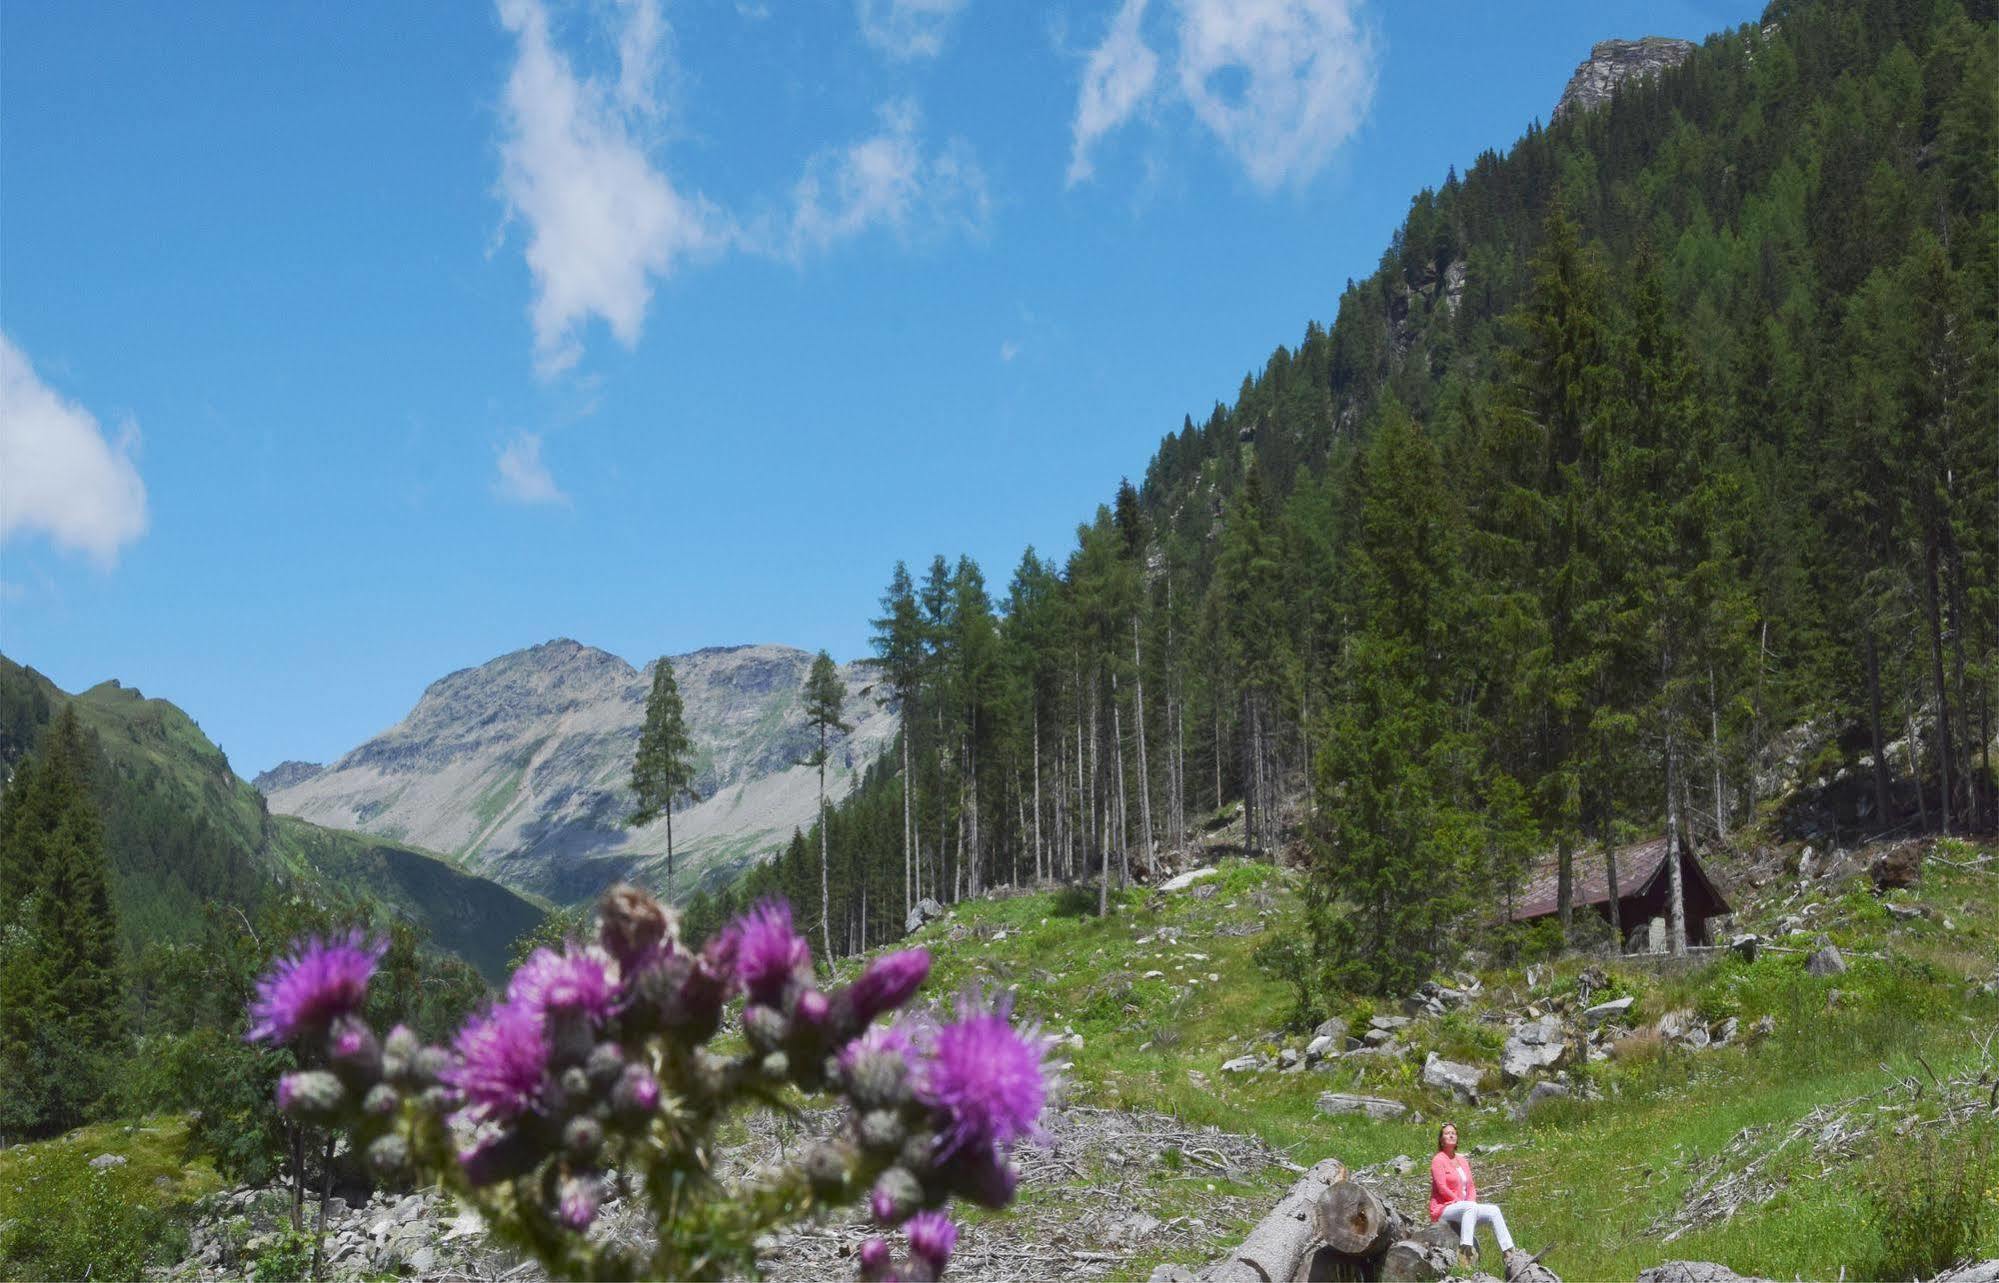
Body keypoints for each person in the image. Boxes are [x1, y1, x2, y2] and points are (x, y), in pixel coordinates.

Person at [1429, 1121, 1515, 1267]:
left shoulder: (1462, 1160)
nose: (1451, 1135)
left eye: (1454, 1133)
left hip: (1465, 1207)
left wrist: (1471, 1202)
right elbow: (1442, 1187)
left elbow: (1471, 1187)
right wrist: (1458, 1201)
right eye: (1447, 1133)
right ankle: (1466, 1253)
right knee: (1470, 1207)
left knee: (1494, 1211)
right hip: (1445, 1208)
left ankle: (1509, 1253)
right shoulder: (1438, 1160)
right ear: (1441, 1140)